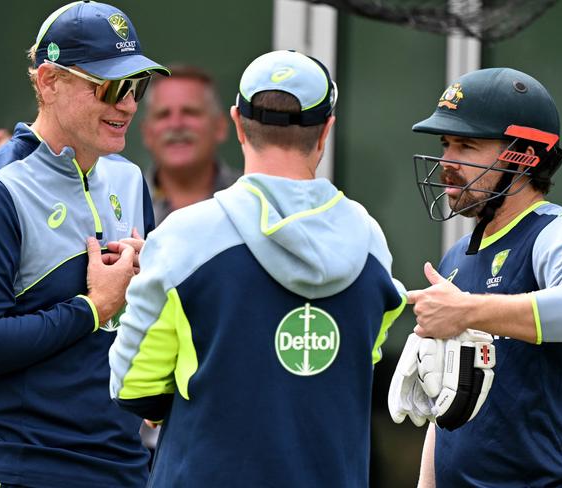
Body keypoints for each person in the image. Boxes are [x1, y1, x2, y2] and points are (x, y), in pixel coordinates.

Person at [109, 49, 406, 487]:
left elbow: (132, 385)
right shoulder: (370, 243)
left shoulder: (184, 237)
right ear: (326, 129)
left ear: (235, 123)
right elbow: (362, 359)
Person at [0, 2, 169, 487]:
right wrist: (96, 306)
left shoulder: (129, 179)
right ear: (48, 81)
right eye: (107, 87)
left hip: (125, 468)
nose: (126, 104)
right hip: (27, 470)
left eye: (135, 87)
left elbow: (137, 326)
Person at [407, 67, 562, 486]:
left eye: (466, 145)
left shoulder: (557, 231)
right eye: (446, 144)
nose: (447, 162)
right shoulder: (456, 255)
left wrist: (467, 311)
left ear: (524, 155)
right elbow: (446, 404)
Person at [142, 64, 240, 225]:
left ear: (220, 126)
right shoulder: (123, 204)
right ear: (147, 133)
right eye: (163, 115)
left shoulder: (251, 201)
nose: (176, 124)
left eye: (190, 112)